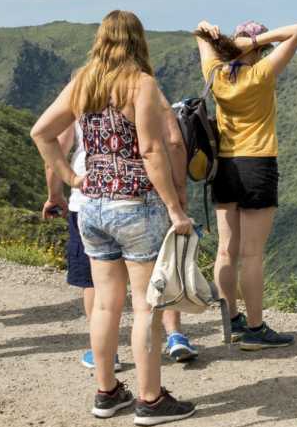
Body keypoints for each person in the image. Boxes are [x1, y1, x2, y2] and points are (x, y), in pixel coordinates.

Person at [32, 10, 196, 426]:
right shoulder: (140, 84)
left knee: (105, 303)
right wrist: (176, 209)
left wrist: (71, 177)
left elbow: (41, 132)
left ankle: (106, 392)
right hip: (135, 203)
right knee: (146, 307)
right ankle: (150, 399)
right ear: (138, 40)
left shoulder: (84, 81)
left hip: (91, 205)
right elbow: (152, 151)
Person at [43, 125, 197, 368]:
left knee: (96, 285)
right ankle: (175, 336)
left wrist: (56, 193)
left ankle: (105, 354)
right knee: (156, 278)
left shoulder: (78, 94)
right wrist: (177, 194)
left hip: (88, 201)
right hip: (141, 198)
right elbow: (173, 142)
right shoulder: (141, 90)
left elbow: (54, 144)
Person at [194, 19, 297, 350]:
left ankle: (231, 321)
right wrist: (255, 42)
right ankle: (255, 329)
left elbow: (199, 35)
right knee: (251, 254)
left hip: (224, 166)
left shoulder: (214, 73)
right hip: (257, 164)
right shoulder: (261, 74)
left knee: (226, 250)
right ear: (258, 49)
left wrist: (224, 39)